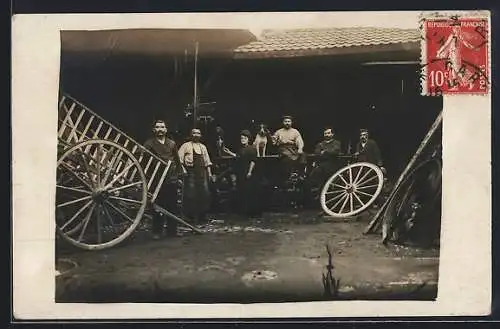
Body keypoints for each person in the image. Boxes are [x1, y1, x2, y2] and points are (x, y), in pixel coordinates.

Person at [143, 119, 183, 239]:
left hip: (171, 178)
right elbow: (144, 162)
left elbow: (177, 161)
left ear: (166, 129)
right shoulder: (149, 144)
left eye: (162, 127)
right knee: (157, 205)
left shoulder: (171, 143)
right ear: (154, 130)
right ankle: (157, 231)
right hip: (156, 179)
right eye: (157, 127)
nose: (160, 129)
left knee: (172, 205)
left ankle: (172, 231)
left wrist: (179, 176)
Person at [178, 128, 216, 224]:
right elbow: (179, 160)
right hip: (190, 173)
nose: (196, 135)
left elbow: (207, 162)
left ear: (200, 135)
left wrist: (210, 174)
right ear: (191, 135)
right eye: (194, 133)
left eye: (198, 133)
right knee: (191, 194)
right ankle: (190, 217)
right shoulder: (185, 146)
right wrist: (183, 170)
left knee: (204, 194)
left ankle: (202, 217)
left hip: (202, 173)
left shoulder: (203, 147)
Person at [223, 130, 262, 219]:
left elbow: (253, 161)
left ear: (248, 139)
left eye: (245, 138)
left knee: (251, 191)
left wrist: (250, 172)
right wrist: (229, 152)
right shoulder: (241, 149)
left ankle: (253, 212)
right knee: (243, 191)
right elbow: (238, 157)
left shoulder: (252, 148)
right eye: (241, 138)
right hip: (242, 172)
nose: (243, 140)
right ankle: (245, 211)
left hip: (249, 172)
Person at [272, 115, 306, 185]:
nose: (287, 123)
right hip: (283, 149)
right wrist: (273, 139)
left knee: (303, 154)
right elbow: (273, 142)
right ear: (283, 122)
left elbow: (299, 141)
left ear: (291, 122)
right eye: (285, 121)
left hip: (293, 148)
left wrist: (300, 148)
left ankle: (301, 174)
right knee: (287, 157)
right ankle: (289, 176)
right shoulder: (279, 132)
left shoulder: (295, 131)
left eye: (289, 121)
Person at [309, 127, 342, 194]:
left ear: (332, 134)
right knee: (315, 173)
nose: (327, 135)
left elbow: (335, 151)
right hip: (322, 164)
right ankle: (318, 191)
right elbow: (317, 152)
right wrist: (326, 152)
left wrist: (324, 152)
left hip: (332, 163)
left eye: (328, 133)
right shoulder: (320, 144)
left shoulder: (336, 143)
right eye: (325, 133)